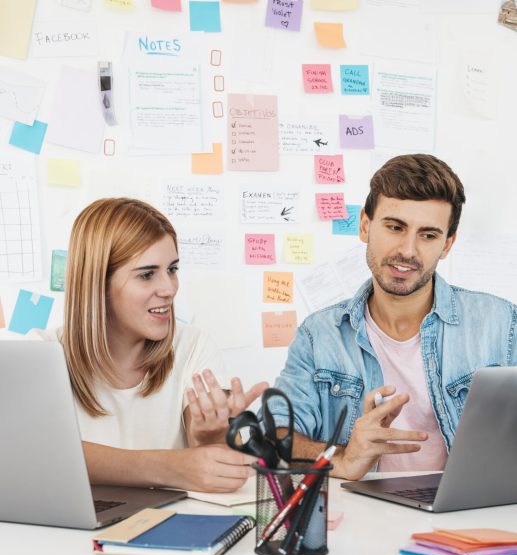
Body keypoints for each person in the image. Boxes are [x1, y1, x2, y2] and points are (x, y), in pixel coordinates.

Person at [269, 154, 517, 480]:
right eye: (395, 227)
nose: (408, 251)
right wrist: (345, 456)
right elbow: (275, 437)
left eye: (428, 235)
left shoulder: (501, 324)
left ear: (447, 244)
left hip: (469, 519)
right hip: (363, 521)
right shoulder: (320, 335)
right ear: (365, 225)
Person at [32, 198, 267, 492]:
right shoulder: (43, 355)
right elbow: (38, 456)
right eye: (147, 274)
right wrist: (171, 467)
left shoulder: (192, 345)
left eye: (172, 269)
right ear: (98, 283)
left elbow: (207, 466)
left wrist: (210, 438)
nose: (169, 288)